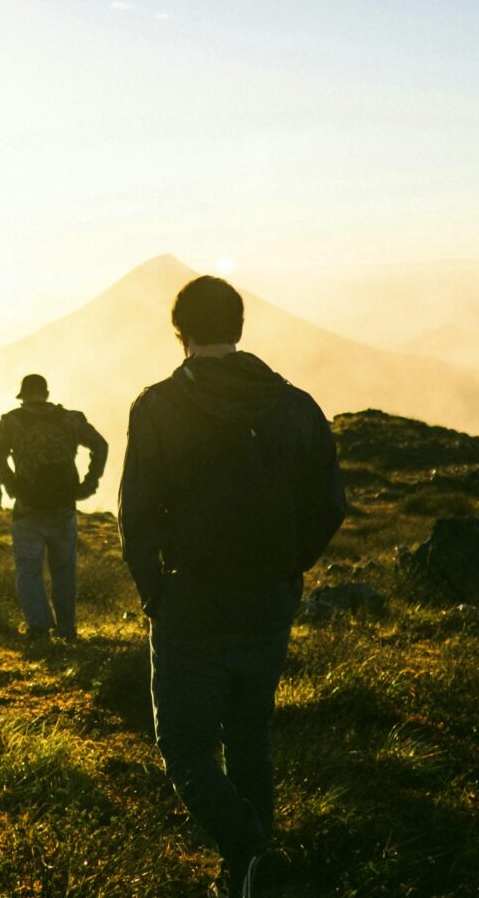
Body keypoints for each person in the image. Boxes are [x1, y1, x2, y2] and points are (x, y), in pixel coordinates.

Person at [119, 275, 347, 898]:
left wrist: (154, 593)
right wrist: (288, 565)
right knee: (251, 738)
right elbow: (330, 503)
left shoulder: (159, 406)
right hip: (268, 604)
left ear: (181, 332)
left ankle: (247, 851)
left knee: (186, 749)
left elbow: (136, 514)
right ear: (239, 328)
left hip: (189, 603)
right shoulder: (295, 404)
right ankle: (249, 872)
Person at [0, 373, 108, 640]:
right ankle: (67, 629)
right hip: (63, 506)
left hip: (28, 508)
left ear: (23, 396)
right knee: (64, 571)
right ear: (47, 393)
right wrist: (88, 484)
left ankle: (40, 628)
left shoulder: (11, 422)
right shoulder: (69, 419)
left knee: (28, 570)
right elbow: (100, 445)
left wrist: (13, 487)